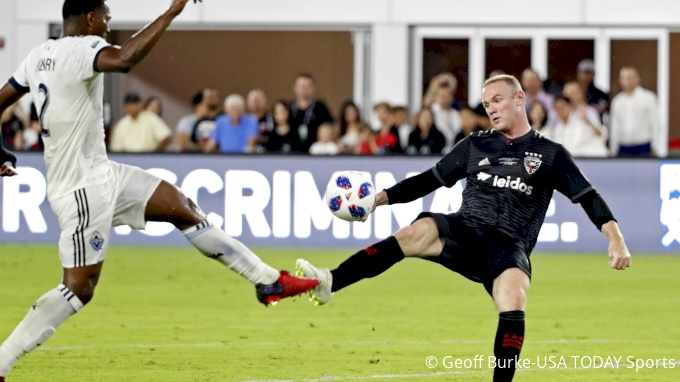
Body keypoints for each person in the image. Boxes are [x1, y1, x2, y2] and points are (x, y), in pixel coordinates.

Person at [0, 1, 319, 380]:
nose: (107, 24)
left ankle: (268, 280)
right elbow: (123, 60)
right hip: (83, 189)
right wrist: (172, 11)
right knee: (78, 289)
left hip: (103, 175)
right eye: (105, 17)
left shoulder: (40, 54)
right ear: (89, 19)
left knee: (182, 206)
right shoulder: (83, 47)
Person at [295, 74, 631, 382]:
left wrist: (615, 239)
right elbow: (427, 180)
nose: (491, 109)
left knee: (514, 299)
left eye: (497, 100)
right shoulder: (476, 145)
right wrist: (378, 200)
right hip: (464, 228)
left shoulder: (551, 154)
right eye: (486, 104)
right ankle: (330, 282)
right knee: (415, 231)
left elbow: (588, 197)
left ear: (518, 99)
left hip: (507, 246)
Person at [609, 67, 661, 157]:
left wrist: (656, 147)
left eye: (631, 77)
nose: (628, 81)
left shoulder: (648, 98)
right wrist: (613, 150)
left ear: (638, 79)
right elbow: (614, 126)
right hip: (623, 147)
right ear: (620, 80)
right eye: (625, 78)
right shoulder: (617, 101)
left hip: (643, 146)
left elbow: (655, 124)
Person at [289, 73, 334, 153]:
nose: (305, 89)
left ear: (313, 88)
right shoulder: (289, 107)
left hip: (315, 151)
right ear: (295, 88)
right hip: (292, 151)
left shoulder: (320, 107)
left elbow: (330, 125)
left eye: (308, 86)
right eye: (302, 86)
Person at [180, 88, 221, 152]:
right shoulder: (188, 121)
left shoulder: (221, 121)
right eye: (209, 97)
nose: (212, 100)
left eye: (215, 97)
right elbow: (184, 144)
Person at [431, 87, 462, 151]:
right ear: (435, 97)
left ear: (452, 97)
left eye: (447, 95)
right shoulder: (432, 111)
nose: (444, 97)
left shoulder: (456, 113)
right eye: (441, 95)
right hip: (437, 149)